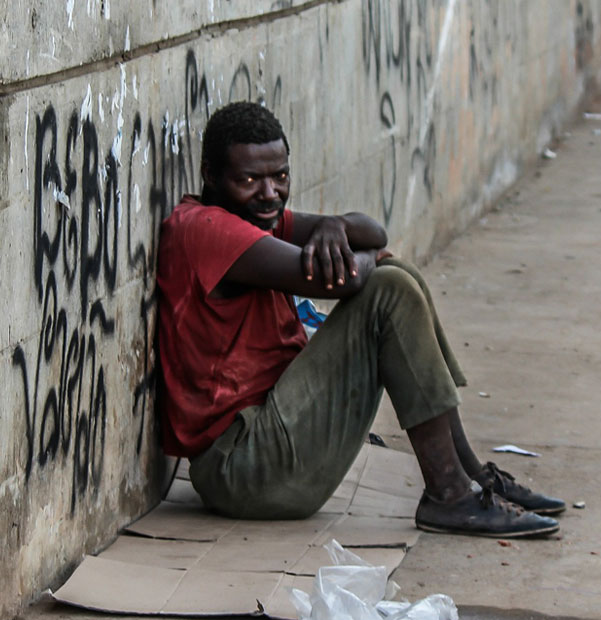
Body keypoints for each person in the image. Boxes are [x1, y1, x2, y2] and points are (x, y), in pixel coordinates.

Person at [156, 101, 564, 537]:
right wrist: (364, 255)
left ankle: (470, 478)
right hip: (244, 469)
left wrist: (335, 225)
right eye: (249, 180)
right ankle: (449, 495)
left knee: (395, 274)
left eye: (280, 176)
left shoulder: (259, 218)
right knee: (388, 287)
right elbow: (344, 280)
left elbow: (374, 233)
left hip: (271, 436)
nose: (270, 192)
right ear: (211, 176)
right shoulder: (204, 228)